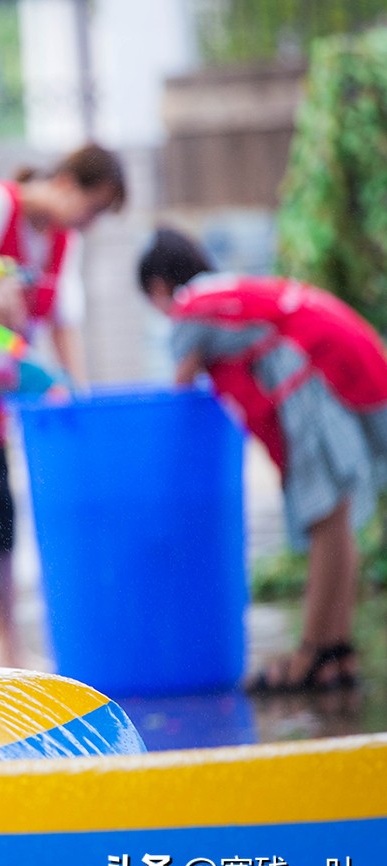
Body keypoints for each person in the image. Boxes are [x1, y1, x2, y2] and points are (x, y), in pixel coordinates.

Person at [138, 227, 387, 693]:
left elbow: (179, 390)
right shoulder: (226, 292)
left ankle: (311, 652)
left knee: (325, 519)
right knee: (335, 520)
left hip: (311, 372)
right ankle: (335, 650)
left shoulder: (190, 307)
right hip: (344, 355)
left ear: (157, 287)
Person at [0, 143, 127, 666]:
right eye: (94, 207)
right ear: (66, 184)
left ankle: (8, 643)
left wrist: (72, 396)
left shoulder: (63, 243)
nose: (89, 222)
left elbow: (64, 326)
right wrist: (5, 330)